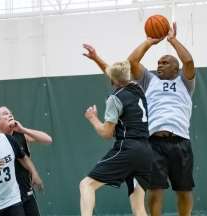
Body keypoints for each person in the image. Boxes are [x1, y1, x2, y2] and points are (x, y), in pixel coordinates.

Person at [83, 22, 195, 216]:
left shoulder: (185, 82)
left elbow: (189, 62)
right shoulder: (149, 81)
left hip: (180, 140)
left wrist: (173, 40)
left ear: (176, 68)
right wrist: (149, 42)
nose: (159, 65)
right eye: (158, 63)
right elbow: (131, 63)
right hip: (153, 142)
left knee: (184, 190)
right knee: (154, 190)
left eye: (165, 62)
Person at [79, 61, 153, 216]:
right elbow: (116, 74)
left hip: (129, 148)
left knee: (86, 185)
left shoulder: (115, 98)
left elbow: (106, 133)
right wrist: (95, 57)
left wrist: (92, 118)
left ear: (112, 80)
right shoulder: (138, 88)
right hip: (146, 151)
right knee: (138, 206)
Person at [0, 106, 53, 216]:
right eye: (5, 114)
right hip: (6, 193)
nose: (10, 115)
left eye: (11, 113)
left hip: (25, 188)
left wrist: (23, 129)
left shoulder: (21, 134)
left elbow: (48, 140)